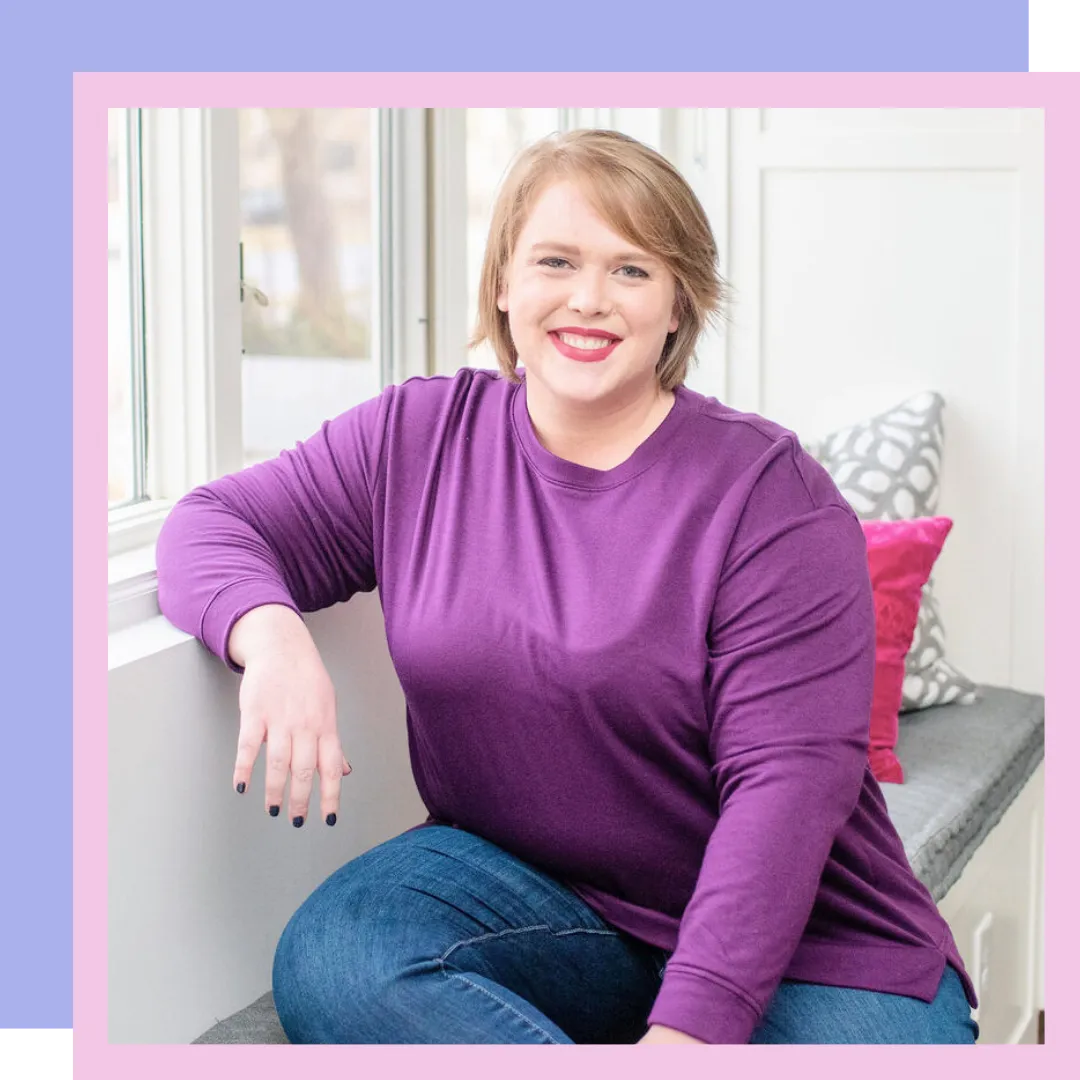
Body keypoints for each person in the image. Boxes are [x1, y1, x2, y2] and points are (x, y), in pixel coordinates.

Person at [155, 128, 979, 1045]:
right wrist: (269, 635)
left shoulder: (768, 495)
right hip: (537, 893)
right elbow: (211, 525)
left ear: (679, 307)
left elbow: (787, 789)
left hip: (809, 943)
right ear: (504, 282)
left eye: (632, 270)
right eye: (556, 260)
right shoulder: (419, 437)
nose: (588, 299)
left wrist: (686, 1038)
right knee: (341, 957)